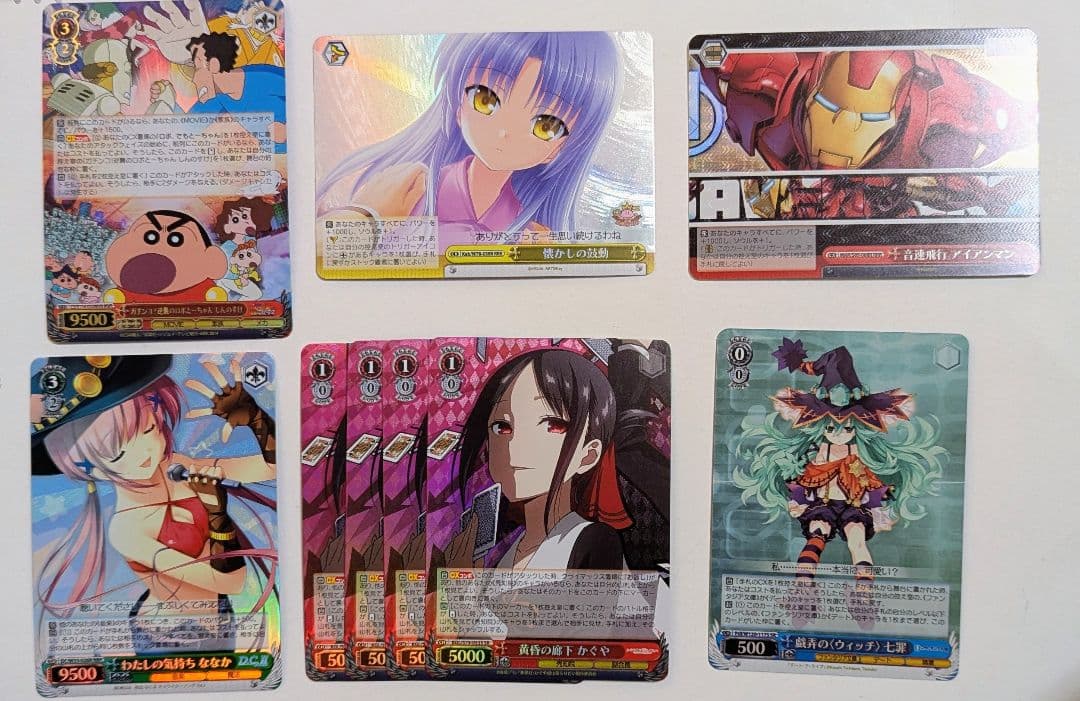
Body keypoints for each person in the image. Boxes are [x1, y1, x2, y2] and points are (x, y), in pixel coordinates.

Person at [32, 354, 277, 654]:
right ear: (92, 469)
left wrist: (256, 419)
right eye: (118, 454)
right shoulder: (127, 530)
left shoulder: (175, 465)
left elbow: (270, 468)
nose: (145, 452)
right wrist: (216, 513)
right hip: (166, 635)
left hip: (219, 619)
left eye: (149, 430)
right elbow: (229, 582)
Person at [316, 33, 621, 244]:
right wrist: (365, 216)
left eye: (545, 125)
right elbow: (318, 254)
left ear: (559, 149)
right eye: (486, 99)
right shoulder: (411, 185)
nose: (504, 132)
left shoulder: (530, 232)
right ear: (458, 106)